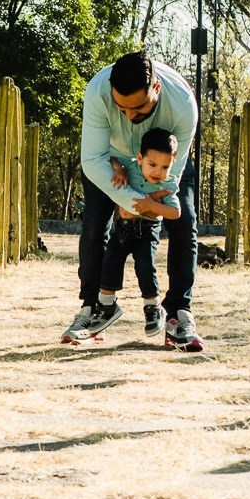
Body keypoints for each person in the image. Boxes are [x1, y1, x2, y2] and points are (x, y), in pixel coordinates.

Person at [62, 50, 203, 352]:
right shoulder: (98, 91)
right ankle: (94, 307)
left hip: (162, 166)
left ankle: (178, 312)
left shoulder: (182, 106)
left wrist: (143, 205)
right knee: (93, 225)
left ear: (156, 89)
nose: (128, 116)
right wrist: (128, 195)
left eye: (138, 110)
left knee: (186, 222)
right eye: (121, 108)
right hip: (109, 163)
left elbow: (168, 182)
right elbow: (92, 159)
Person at [75, 128, 180, 341]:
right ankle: (107, 307)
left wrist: (151, 204)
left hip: (147, 231)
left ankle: (152, 309)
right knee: (109, 265)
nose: (158, 171)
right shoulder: (131, 168)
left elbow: (175, 212)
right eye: (152, 164)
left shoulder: (167, 185)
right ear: (140, 158)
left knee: (145, 268)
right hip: (121, 228)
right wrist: (119, 169)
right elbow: (113, 158)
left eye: (165, 167)